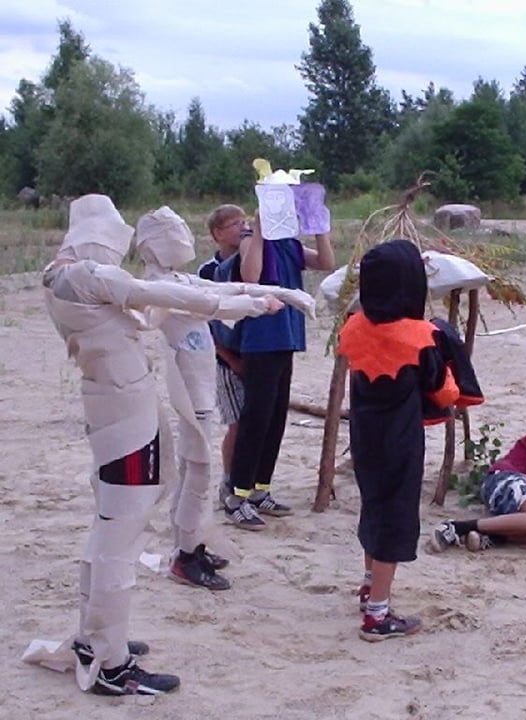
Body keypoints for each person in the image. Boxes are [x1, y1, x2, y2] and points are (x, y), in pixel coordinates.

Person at [41, 194, 284, 695]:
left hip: (117, 408)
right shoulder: (83, 276)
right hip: (124, 418)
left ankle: (96, 638)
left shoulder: (62, 277)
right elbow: (161, 293)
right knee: (120, 535)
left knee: (110, 528)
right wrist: (251, 304)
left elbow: (170, 292)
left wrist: (251, 297)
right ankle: (110, 663)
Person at [135, 206, 316, 589]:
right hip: (191, 394)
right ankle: (185, 555)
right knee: (196, 470)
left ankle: (190, 544)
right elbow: (213, 304)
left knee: (196, 471)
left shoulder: (178, 278)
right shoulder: (158, 286)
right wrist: (260, 305)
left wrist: (284, 293)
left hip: (199, 389)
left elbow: (228, 288)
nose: (184, 238)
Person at [337, 239, 477, 642]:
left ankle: (369, 587)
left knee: (374, 509)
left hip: (364, 436)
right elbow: (443, 392)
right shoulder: (420, 337)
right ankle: (377, 615)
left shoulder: (354, 326)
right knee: (395, 520)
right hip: (399, 441)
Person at [215, 203, 335, 529]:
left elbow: (326, 263)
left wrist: (319, 226)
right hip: (260, 341)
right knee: (256, 418)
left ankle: (259, 489)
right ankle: (236, 495)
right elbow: (251, 276)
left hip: (287, 339)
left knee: (276, 419)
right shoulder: (250, 240)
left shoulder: (289, 245)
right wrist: (259, 228)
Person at [199, 205, 246, 507]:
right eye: (235, 224)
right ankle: (228, 480)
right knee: (236, 422)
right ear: (217, 233)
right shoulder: (208, 271)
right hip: (226, 358)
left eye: (244, 222)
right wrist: (229, 358)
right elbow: (204, 323)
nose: (243, 228)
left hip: (254, 352)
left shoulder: (250, 261)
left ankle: (250, 481)